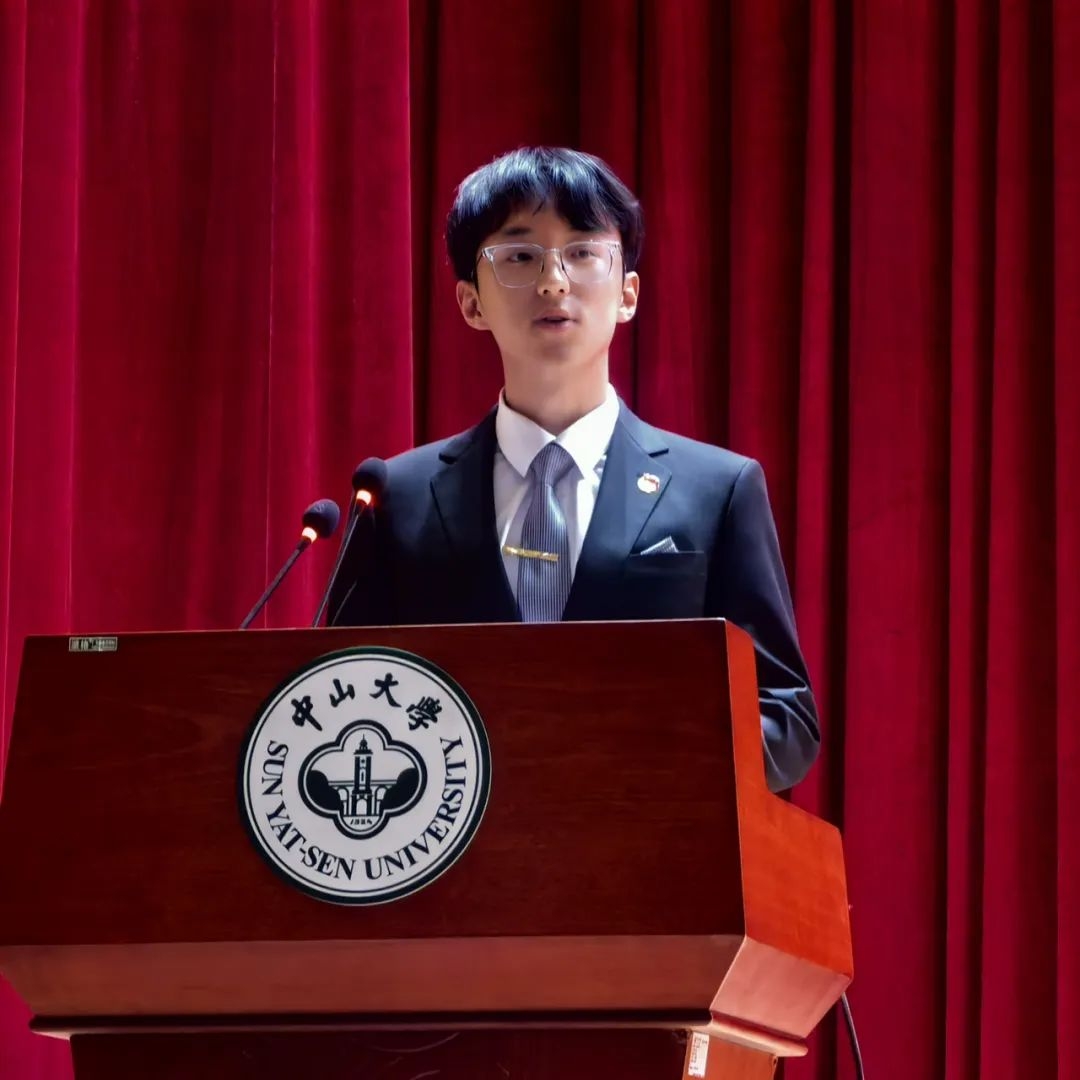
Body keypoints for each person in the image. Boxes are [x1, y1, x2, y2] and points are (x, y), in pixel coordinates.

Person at [329, 146, 819, 791]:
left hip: (647, 834)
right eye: (519, 256)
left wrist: (655, 754)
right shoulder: (398, 495)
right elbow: (338, 696)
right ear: (471, 303)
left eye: (583, 252)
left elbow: (786, 719)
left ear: (627, 294)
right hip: (456, 846)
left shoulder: (718, 490)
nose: (553, 281)